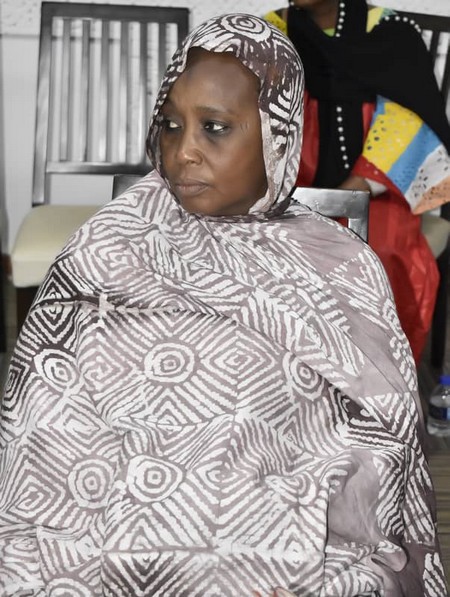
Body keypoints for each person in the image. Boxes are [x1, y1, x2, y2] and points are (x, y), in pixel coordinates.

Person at [0, 13, 446, 597]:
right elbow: (44, 417)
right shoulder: (106, 246)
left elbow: (379, 438)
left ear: (277, 135)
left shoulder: (340, 264)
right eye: (169, 124)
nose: (183, 151)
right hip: (103, 521)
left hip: (284, 535)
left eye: (214, 128)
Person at [264, 0, 450, 364]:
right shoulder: (273, 31)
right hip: (291, 182)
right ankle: (294, 368)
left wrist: (354, 189)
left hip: (377, 186)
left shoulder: (394, 33)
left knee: (382, 255)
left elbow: (410, 120)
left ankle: (378, 371)